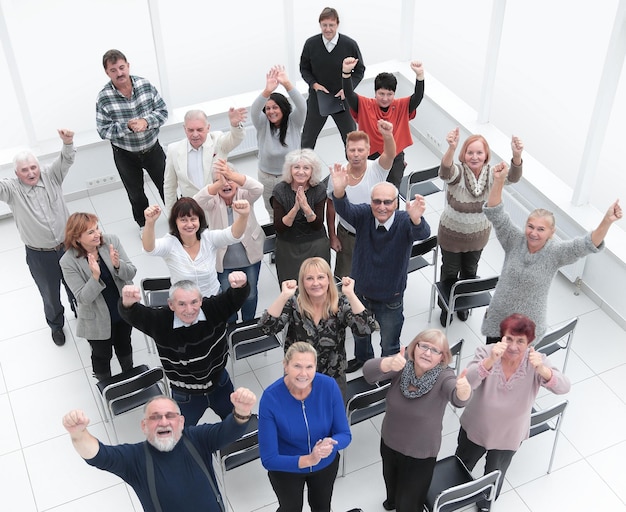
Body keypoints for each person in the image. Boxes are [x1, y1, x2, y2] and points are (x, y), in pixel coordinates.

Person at [482, 164, 622, 343]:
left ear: (551, 232)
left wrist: (607, 221)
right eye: (530, 227)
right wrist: (499, 180)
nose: (533, 233)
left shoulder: (555, 253)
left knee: (516, 369)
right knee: (491, 363)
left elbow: (586, 245)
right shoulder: (514, 240)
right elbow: (496, 214)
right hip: (499, 318)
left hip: (526, 327)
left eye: (541, 229)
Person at [62, 389, 256, 512]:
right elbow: (98, 455)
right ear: (144, 426)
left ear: (181, 422)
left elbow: (229, 431)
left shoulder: (197, 438)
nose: (163, 421)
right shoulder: (134, 458)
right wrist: (78, 434)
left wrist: (241, 411)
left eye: (170, 416)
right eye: (155, 417)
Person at [456, 314, 571, 511]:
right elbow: (467, 384)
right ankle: (456, 494)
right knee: (461, 465)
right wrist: (490, 361)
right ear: (502, 337)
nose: (514, 346)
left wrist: (543, 370)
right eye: (509, 339)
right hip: (476, 428)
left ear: (530, 343)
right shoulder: (485, 352)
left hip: (509, 435)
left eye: (521, 341)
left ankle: (485, 503)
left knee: (495, 473)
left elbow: (564, 387)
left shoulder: (536, 362)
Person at [331, 170, 431, 372]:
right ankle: (363, 360)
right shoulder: (364, 215)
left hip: (390, 297)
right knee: (360, 333)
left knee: (390, 341)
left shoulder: (405, 221)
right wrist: (339, 190)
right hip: (361, 293)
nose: (382, 207)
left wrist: (416, 219)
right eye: (377, 201)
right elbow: (345, 209)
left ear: (396, 203)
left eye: (387, 202)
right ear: (371, 202)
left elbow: (423, 233)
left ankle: (388, 369)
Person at [118, 274, 250, 425]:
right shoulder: (160, 322)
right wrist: (126, 304)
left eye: (194, 302)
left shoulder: (214, 308)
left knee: (235, 422)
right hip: (185, 394)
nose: (189, 310)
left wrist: (241, 284)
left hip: (220, 383)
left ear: (201, 300)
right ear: (171, 304)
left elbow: (236, 297)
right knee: (181, 433)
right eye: (181, 304)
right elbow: (133, 314)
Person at [363, 330, 471, 512]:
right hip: (390, 443)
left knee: (409, 503)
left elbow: (458, 398)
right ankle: (392, 502)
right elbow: (369, 374)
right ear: (415, 347)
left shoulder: (445, 376)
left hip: (421, 454)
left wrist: (464, 391)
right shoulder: (403, 363)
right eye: (424, 346)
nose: (428, 353)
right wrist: (387, 363)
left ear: (442, 357)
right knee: (391, 483)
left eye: (435, 350)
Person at [437, 127, 523, 326]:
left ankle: (464, 305)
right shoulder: (458, 172)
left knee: (469, 273)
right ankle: (446, 307)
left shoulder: (493, 175)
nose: (474, 157)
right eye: (470, 152)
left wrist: (516, 156)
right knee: (450, 273)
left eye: (479, 153)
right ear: (463, 154)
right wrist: (451, 148)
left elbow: (513, 178)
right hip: (451, 236)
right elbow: (445, 171)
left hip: (477, 238)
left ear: (486, 156)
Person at [259, 257, 376, 399]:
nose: (315, 283)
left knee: (333, 419)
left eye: (320, 277)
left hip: (332, 377)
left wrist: (351, 295)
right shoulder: (295, 303)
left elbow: (366, 329)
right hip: (298, 375)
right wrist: (283, 296)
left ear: (328, 279)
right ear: (302, 282)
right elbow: (266, 328)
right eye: (309, 278)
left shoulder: (340, 304)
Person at [0, 129, 76, 346]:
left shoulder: (51, 175)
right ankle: (56, 326)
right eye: (24, 170)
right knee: (50, 294)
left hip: (68, 247)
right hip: (39, 255)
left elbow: (66, 158)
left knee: (75, 285)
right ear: (17, 173)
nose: (31, 173)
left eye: (33, 167)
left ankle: (80, 312)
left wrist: (67, 142)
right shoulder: (11, 189)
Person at [258, 342, 351, 512]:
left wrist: (331, 442)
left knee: (322, 507)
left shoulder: (329, 386)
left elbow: (344, 434)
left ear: (316, 366)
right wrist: (309, 459)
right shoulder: (271, 398)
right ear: (285, 366)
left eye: (309, 367)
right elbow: (268, 459)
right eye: (297, 366)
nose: (303, 374)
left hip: (325, 465)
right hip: (287, 469)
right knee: (290, 509)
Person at [96, 49, 168, 233]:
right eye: (113, 70)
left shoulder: (145, 85)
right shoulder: (104, 97)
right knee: (136, 194)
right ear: (107, 72)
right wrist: (126, 127)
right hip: (125, 154)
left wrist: (146, 122)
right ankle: (144, 226)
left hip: (153, 149)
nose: (119, 73)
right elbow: (103, 131)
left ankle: (179, 218)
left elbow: (162, 112)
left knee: (167, 185)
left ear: (128, 66)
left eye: (121, 67)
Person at [60, 213, 136, 380]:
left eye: (97, 229)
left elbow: (131, 271)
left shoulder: (111, 241)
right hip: (96, 319)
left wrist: (117, 265)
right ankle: (106, 386)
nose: (97, 234)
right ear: (76, 238)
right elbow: (82, 298)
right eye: (90, 232)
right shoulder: (68, 261)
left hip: (122, 310)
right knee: (102, 355)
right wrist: (95, 277)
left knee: (124, 344)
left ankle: (129, 375)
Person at [193, 159, 265, 322]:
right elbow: (197, 201)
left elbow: (258, 188)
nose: (226, 184)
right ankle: (231, 326)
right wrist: (219, 184)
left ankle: (249, 323)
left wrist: (231, 175)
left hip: (249, 258)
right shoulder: (212, 202)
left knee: (250, 294)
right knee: (227, 297)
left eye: (229, 180)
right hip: (224, 262)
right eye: (220, 181)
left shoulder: (245, 195)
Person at [326, 120, 395, 280]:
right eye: (352, 150)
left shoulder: (376, 169)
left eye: (360, 150)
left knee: (374, 274)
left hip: (374, 234)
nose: (356, 154)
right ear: (346, 151)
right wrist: (332, 234)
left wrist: (388, 136)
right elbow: (331, 204)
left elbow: (390, 154)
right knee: (344, 278)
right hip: (347, 235)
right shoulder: (338, 174)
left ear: (368, 150)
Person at [142, 197, 250, 298]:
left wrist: (244, 216)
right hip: (184, 305)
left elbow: (234, 234)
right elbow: (149, 248)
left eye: (193, 219)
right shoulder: (170, 243)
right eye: (183, 220)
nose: (189, 225)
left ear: (199, 220)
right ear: (175, 222)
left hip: (212, 299)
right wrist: (150, 223)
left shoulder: (208, 238)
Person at [342, 58, 425, 188]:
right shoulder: (364, 104)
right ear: (375, 92)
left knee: (392, 191)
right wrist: (346, 74)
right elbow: (348, 94)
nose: (385, 98)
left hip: (395, 155)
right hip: (370, 155)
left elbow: (418, 97)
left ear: (394, 94)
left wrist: (420, 76)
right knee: (369, 188)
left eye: (389, 94)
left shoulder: (402, 106)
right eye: (381, 93)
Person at [300, 7, 365, 149]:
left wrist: (348, 89)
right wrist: (314, 85)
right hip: (318, 98)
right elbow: (304, 69)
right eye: (324, 25)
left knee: (351, 140)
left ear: (337, 24)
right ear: (320, 25)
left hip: (342, 99)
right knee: (307, 140)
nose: (328, 29)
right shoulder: (311, 44)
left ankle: (355, 170)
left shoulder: (349, 45)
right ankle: (303, 169)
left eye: (331, 25)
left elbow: (359, 70)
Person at [163, 108, 247, 215]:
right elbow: (169, 186)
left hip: (218, 207)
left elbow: (235, 139)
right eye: (190, 130)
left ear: (208, 128)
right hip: (192, 210)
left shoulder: (217, 140)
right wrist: (172, 216)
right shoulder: (173, 150)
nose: (195, 134)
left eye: (199, 130)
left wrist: (235, 125)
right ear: (184, 129)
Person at [251, 65, 306, 220]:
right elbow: (254, 110)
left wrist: (287, 84)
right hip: (266, 177)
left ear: (283, 108)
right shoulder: (262, 124)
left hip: (290, 176)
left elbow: (302, 105)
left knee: (294, 207)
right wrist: (267, 91)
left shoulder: (294, 121)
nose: (271, 111)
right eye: (267, 108)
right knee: (272, 211)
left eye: (275, 107)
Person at [271, 148, 330, 285]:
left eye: (306, 168)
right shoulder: (280, 190)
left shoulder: (319, 189)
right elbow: (279, 227)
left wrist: (306, 207)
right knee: (292, 288)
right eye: (296, 167)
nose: (301, 172)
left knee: (318, 285)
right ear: (289, 169)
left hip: (315, 244)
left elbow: (317, 225)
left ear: (312, 171)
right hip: (288, 245)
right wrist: (295, 208)